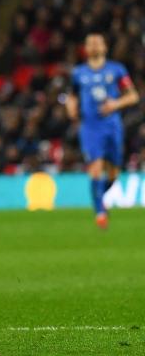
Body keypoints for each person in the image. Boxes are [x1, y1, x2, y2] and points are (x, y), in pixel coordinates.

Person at [66, 33, 139, 230]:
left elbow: (133, 96)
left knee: (114, 174)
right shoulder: (79, 73)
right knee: (96, 168)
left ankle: (99, 198)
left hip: (112, 126)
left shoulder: (116, 70)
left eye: (98, 42)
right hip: (90, 127)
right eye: (90, 43)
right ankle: (100, 212)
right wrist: (71, 108)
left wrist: (116, 104)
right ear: (86, 49)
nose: (94, 45)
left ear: (105, 47)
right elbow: (72, 96)